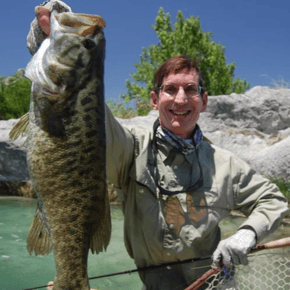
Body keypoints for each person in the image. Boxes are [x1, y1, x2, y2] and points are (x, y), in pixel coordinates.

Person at [27, 2, 289, 290]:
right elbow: (84, 116)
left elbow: (272, 200)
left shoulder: (227, 164)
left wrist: (248, 233)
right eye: (170, 89)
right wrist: (49, 41)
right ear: (154, 100)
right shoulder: (130, 148)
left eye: (191, 90)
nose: (180, 100)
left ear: (203, 101)